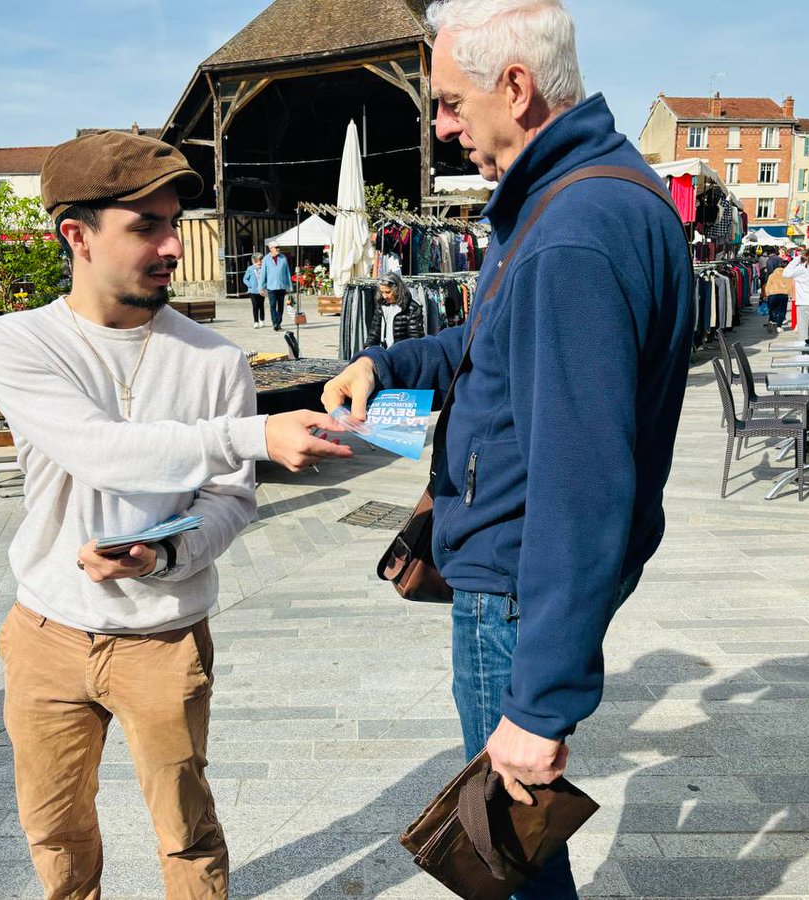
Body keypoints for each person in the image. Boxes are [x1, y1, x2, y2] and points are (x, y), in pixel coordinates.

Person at [323, 1, 692, 895]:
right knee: (520, 853)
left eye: (449, 102)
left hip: (518, 588)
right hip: (520, 576)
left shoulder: (571, 232)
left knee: (509, 859)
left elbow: (584, 485)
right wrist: (389, 360)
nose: (442, 127)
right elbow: (488, 342)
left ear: (516, 87)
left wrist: (540, 706)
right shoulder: (586, 196)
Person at [0, 130, 351, 900]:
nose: (174, 245)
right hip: (46, 632)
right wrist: (257, 434)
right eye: (147, 225)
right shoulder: (13, 342)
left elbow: (231, 498)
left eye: (175, 222)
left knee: (186, 833)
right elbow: (98, 450)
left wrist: (165, 557)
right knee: (54, 828)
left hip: (164, 637)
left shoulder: (214, 359)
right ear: (75, 235)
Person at [364, 272, 425, 349]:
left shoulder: (412, 308)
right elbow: (375, 331)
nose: (384, 296)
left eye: (388, 292)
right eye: (382, 292)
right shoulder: (381, 305)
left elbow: (415, 338)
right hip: (384, 351)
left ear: (397, 289)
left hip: (401, 354)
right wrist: (369, 346)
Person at [260, 242, 292, 331]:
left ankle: (278, 322)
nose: (278, 249)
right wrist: (261, 287)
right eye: (276, 247)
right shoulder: (266, 259)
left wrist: (289, 286)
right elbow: (263, 274)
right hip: (271, 287)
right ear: (271, 249)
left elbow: (287, 273)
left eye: (279, 247)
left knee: (281, 306)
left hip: (281, 286)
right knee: (273, 305)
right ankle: (275, 323)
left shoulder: (283, 258)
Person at [764, 253, 795, 331]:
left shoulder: (772, 275)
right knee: (782, 311)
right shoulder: (787, 275)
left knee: (773, 310)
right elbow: (790, 285)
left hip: (772, 295)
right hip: (783, 295)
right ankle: (779, 326)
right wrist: (790, 294)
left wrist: (767, 293)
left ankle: (773, 322)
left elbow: (768, 285)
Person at [243, 252, 265, 328]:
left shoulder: (264, 268)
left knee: (261, 305)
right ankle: (256, 322)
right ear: (255, 260)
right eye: (260, 260)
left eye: (262, 260)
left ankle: (262, 320)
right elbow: (245, 279)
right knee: (255, 306)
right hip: (253, 291)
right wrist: (250, 286)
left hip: (262, 290)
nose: (261, 261)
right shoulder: (250, 269)